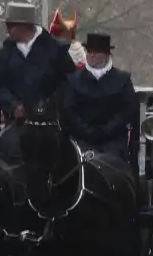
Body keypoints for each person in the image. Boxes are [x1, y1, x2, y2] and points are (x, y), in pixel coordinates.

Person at [0, 2, 77, 160]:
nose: (8, 30)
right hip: (18, 124)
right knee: (7, 147)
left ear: (25, 26)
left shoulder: (55, 50)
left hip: (51, 124)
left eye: (11, 25)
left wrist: (49, 105)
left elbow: (69, 83)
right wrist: (13, 106)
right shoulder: (6, 53)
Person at [59, 32, 138, 168]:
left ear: (107, 54)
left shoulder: (122, 80)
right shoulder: (73, 80)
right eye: (89, 51)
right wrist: (87, 131)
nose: (91, 55)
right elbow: (69, 111)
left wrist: (106, 130)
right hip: (80, 140)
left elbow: (127, 111)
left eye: (96, 52)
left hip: (113, 141)